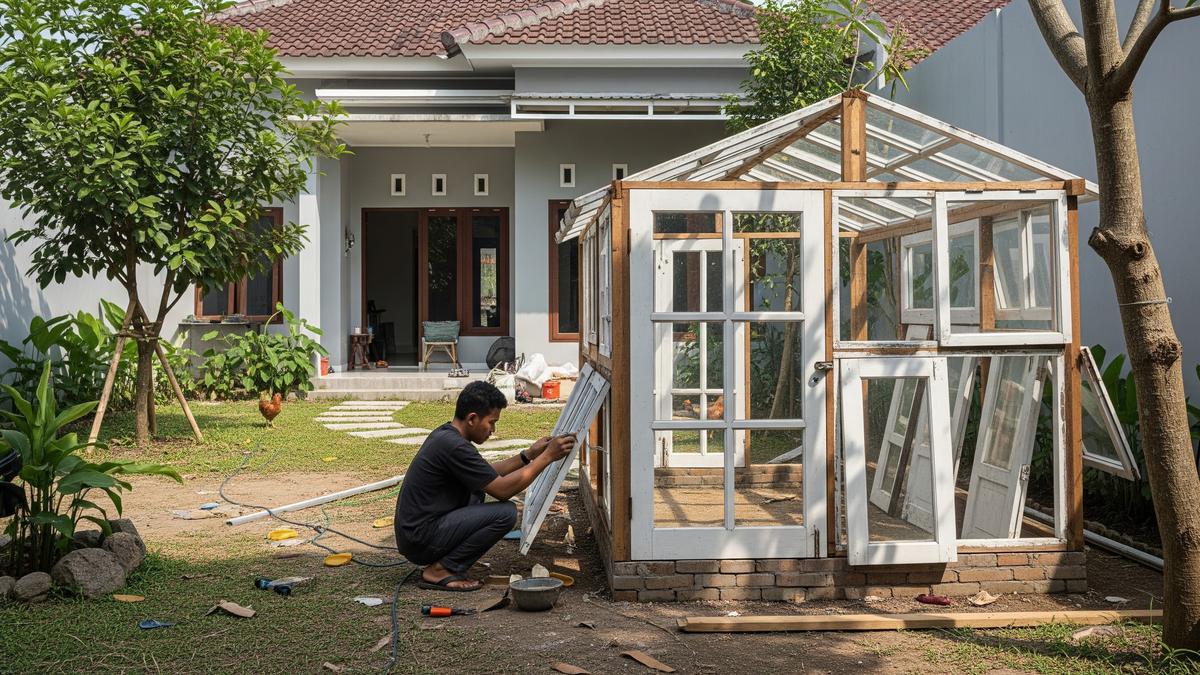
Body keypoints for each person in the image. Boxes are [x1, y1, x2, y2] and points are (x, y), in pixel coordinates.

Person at [394, 380, 575, 591]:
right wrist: (547, 457)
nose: (493, 430)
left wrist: (529, 454)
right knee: (505, 513)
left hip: (418, 533)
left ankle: (446, 560)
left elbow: (488, 473)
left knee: (477, 491)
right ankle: (441, 569)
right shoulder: (454, 446)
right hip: (420, 540)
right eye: (491, 422)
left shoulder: (447, 435)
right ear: (472, 419)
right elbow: (503, 490)